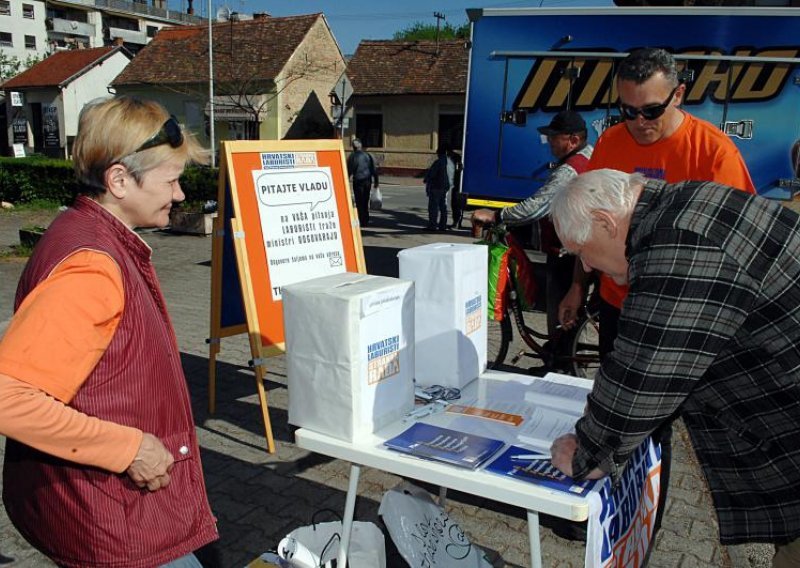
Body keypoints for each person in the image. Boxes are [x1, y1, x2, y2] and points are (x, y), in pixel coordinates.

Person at [0, 96, 218, 567]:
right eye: (171, 181)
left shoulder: (88, 234)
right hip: (111, 518)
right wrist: (130, 448)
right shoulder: (92, 266)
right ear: (119, 180)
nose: (179, 196)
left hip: (109, 506)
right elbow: (8, 398)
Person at [549, 168, 800, 567]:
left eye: (581, 251)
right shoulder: (681, 203)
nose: (589, 267)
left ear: (605, 222)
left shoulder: (679, 243)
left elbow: (645, 368)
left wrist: (588, 453)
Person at [554, 48, 755, 541]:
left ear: (679, 95)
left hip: (688, 319)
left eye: (651, 111)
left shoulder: (714, 153)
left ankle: (642, 517)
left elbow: (735, 253)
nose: (638, 123)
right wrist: (580, 285)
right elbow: (587, 222)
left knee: (654, 420)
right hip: (622, 306)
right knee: (618, 399)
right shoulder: (612, 145)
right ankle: (600, 500)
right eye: (627, 111)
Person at [472, 110, 593, 337]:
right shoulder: (589, 156)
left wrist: (496, 216)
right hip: (586, 248)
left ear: (573, 140)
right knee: (574, 309)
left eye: (554, 138)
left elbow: (536, 206)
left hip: (567, 252)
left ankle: (561, 362)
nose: (549, 144)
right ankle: (560, 353)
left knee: (561, 306)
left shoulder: (570, 170)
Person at [347, 138, 379, 227]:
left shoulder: (352, 157)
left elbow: (349, 171)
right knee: (365, 200)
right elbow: (374, 169)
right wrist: (376, 181)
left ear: (353, 147)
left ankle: (361, 219)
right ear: (361, 146)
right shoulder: (368, 155)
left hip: (358, 181)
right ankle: (365, 219)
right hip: (367, 181)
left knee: (359, 201)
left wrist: (346, 180)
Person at [424, 143, 455, 231]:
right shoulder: (450, 162)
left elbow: (432, 174)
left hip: (436, 187)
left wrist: (427, 179)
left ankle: (432, 226)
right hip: (446, 187)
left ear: (440, 153)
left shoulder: (438, 162)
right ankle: (443, 225)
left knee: (433, 207)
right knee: (443, 207)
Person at [448, 149, 465, 230]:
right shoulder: (458, 164)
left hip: (459, 187)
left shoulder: (458, 165)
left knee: (456, 205)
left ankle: (456, 223)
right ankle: (457, 222)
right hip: (458, 187)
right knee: (457, 206)